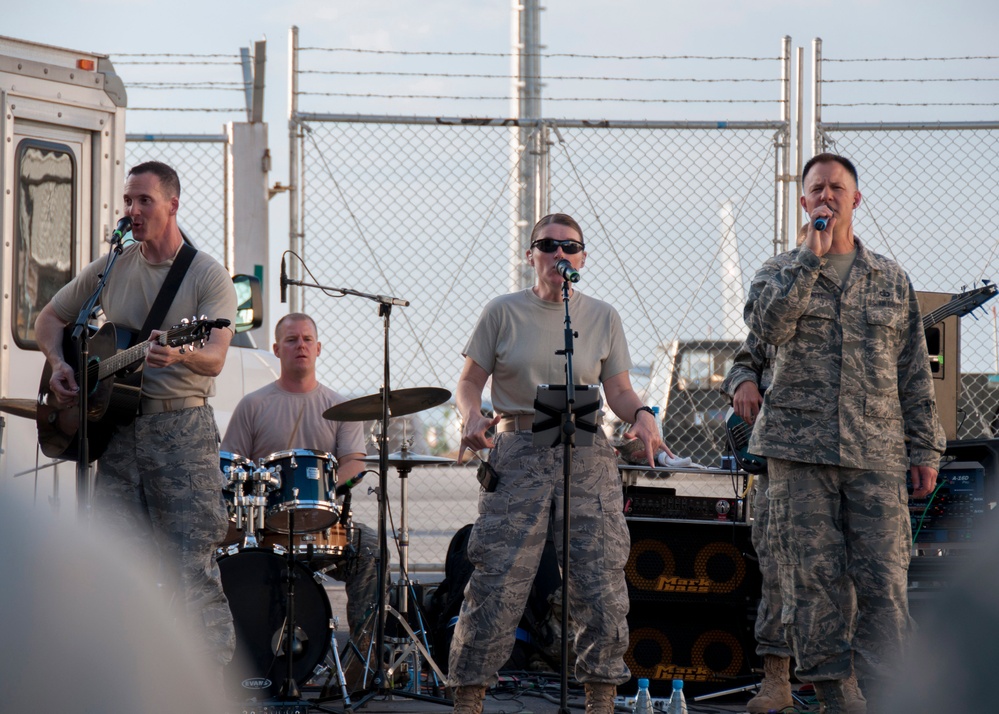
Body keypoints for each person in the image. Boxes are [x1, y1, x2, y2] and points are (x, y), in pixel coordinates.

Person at [744, 153, 946, 713]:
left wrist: (925, 447)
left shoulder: (891, 279)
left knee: (884, 583)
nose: (827, 196)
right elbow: (767, 329)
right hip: (798, 455)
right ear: (804, 202)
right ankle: (837, 696)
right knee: (811, 583)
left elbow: (913, 372)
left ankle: (885, 695)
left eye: (837, 188)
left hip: (876, 454)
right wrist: (808, 262)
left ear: (856, 199)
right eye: (816, 189)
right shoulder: (775, 273)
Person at [447, 213, 669, 714]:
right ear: (531, 256)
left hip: (587, 453)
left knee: (600, 580)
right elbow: (468, 383)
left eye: (570, 247)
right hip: (520, 451)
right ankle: (469, 696)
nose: (559, 255)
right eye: (547, 246)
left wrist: (642, 417)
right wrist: (470, 415)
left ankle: (600, 698)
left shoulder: (602, 316)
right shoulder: (502, 312)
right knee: (498, 579)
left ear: (582, 259)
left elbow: (619, 389)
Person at [35, 161, 238, 680]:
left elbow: (214, 354)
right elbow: (51, 318)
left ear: (172, 204)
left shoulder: (206, 274)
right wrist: (61, 365)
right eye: (128, 200)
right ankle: (118, 682)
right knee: (112, 565)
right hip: (119, 435)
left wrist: (182, 356)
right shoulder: (114, 266)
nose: (133, 210)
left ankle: (207, 689)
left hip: (181, 435)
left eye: (144, 200)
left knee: (192, 569)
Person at [221, 312, 378, 674]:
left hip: (323, 523)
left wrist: (324, 492)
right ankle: (233, 660)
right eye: (291, 340)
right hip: (263, 529)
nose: (301, 346)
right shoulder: (254, 405)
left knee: (371, 547)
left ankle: (360, 662)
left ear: (319, 348)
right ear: (276, 349)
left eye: (307, 339)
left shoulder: (342, 408)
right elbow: (230, 467)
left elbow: (354, 464)